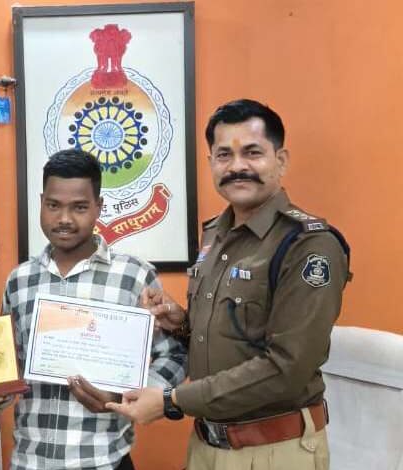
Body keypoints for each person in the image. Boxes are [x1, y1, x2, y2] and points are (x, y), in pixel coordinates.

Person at [107, 99, 351, 470]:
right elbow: (232, 340)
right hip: (206, 445)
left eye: (252, 152)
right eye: (224, 155)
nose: (237, 166)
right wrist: (180, 323)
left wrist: (171, 400)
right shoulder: (214, 235)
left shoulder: (308, 245)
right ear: (211, 163)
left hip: (274, 451)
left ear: (280, 160)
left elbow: (287, 369)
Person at [0, 148, 187, 470]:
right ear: (41, 203)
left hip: (103, 459)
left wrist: (129, 396)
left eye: (79, 207)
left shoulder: (134, 276)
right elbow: (12, 367)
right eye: (53, 205)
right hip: (29, 460)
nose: (64, 219)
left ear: (98, 207)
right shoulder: (20, 280)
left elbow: (174, 354)